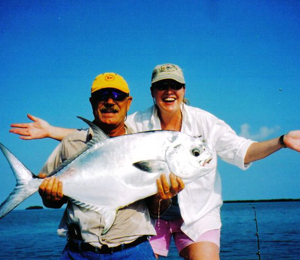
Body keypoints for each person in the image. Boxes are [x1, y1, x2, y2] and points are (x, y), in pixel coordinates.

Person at [10, 64, 300, 260]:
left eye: (175, 85)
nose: (169, 90)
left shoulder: (205, 122)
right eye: (162, 86)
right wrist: (51, 132)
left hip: (197, 215)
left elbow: (242, 150)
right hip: (153, 217)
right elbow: (102, 141)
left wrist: (282, 140)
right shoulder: (136, 122)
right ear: (152, 92)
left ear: (184, 90)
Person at [26, 72, 164, 260]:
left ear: (128, 102)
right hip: (79, 252)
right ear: (92, 102)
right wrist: (50, 195)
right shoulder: (70, 143)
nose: (109, 101)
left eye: (117, 96)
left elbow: (158, 207)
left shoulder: (146, 146)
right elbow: (50, 201)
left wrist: (165, 195)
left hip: (133, 251)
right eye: (102, 96)